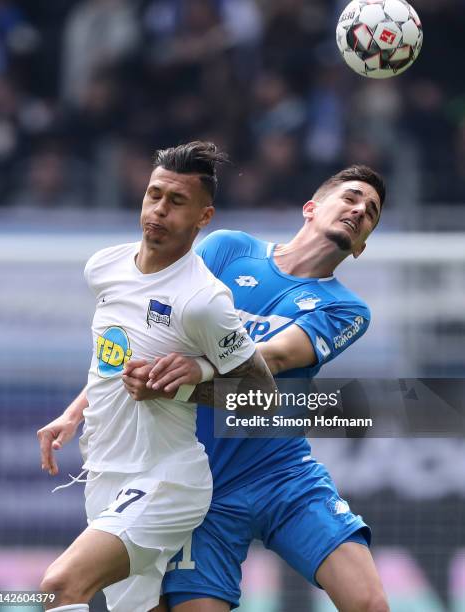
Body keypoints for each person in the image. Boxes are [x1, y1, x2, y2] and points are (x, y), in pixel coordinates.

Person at [123, 165, 390, 612]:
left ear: (361, 247)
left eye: (371, 212)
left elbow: (280, 355)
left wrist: (201, 369)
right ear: (311, 208)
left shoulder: (348, 308)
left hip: (283, 477)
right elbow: (153, 330)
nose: (360, 209)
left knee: (370, 605)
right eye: (351, 197)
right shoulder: (230, 249)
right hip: (200, 488)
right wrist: (79, 408)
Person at [36, 141, 276, 612]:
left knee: (58, 588)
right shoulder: (104, 267)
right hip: (105, 475)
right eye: (154, 195)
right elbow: (113, 359)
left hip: (166, 480)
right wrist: (73, 412)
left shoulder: (203, 300)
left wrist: (182, 385)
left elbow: (261, 395)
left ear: (204, 218)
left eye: (177, 202)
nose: (159, 211)